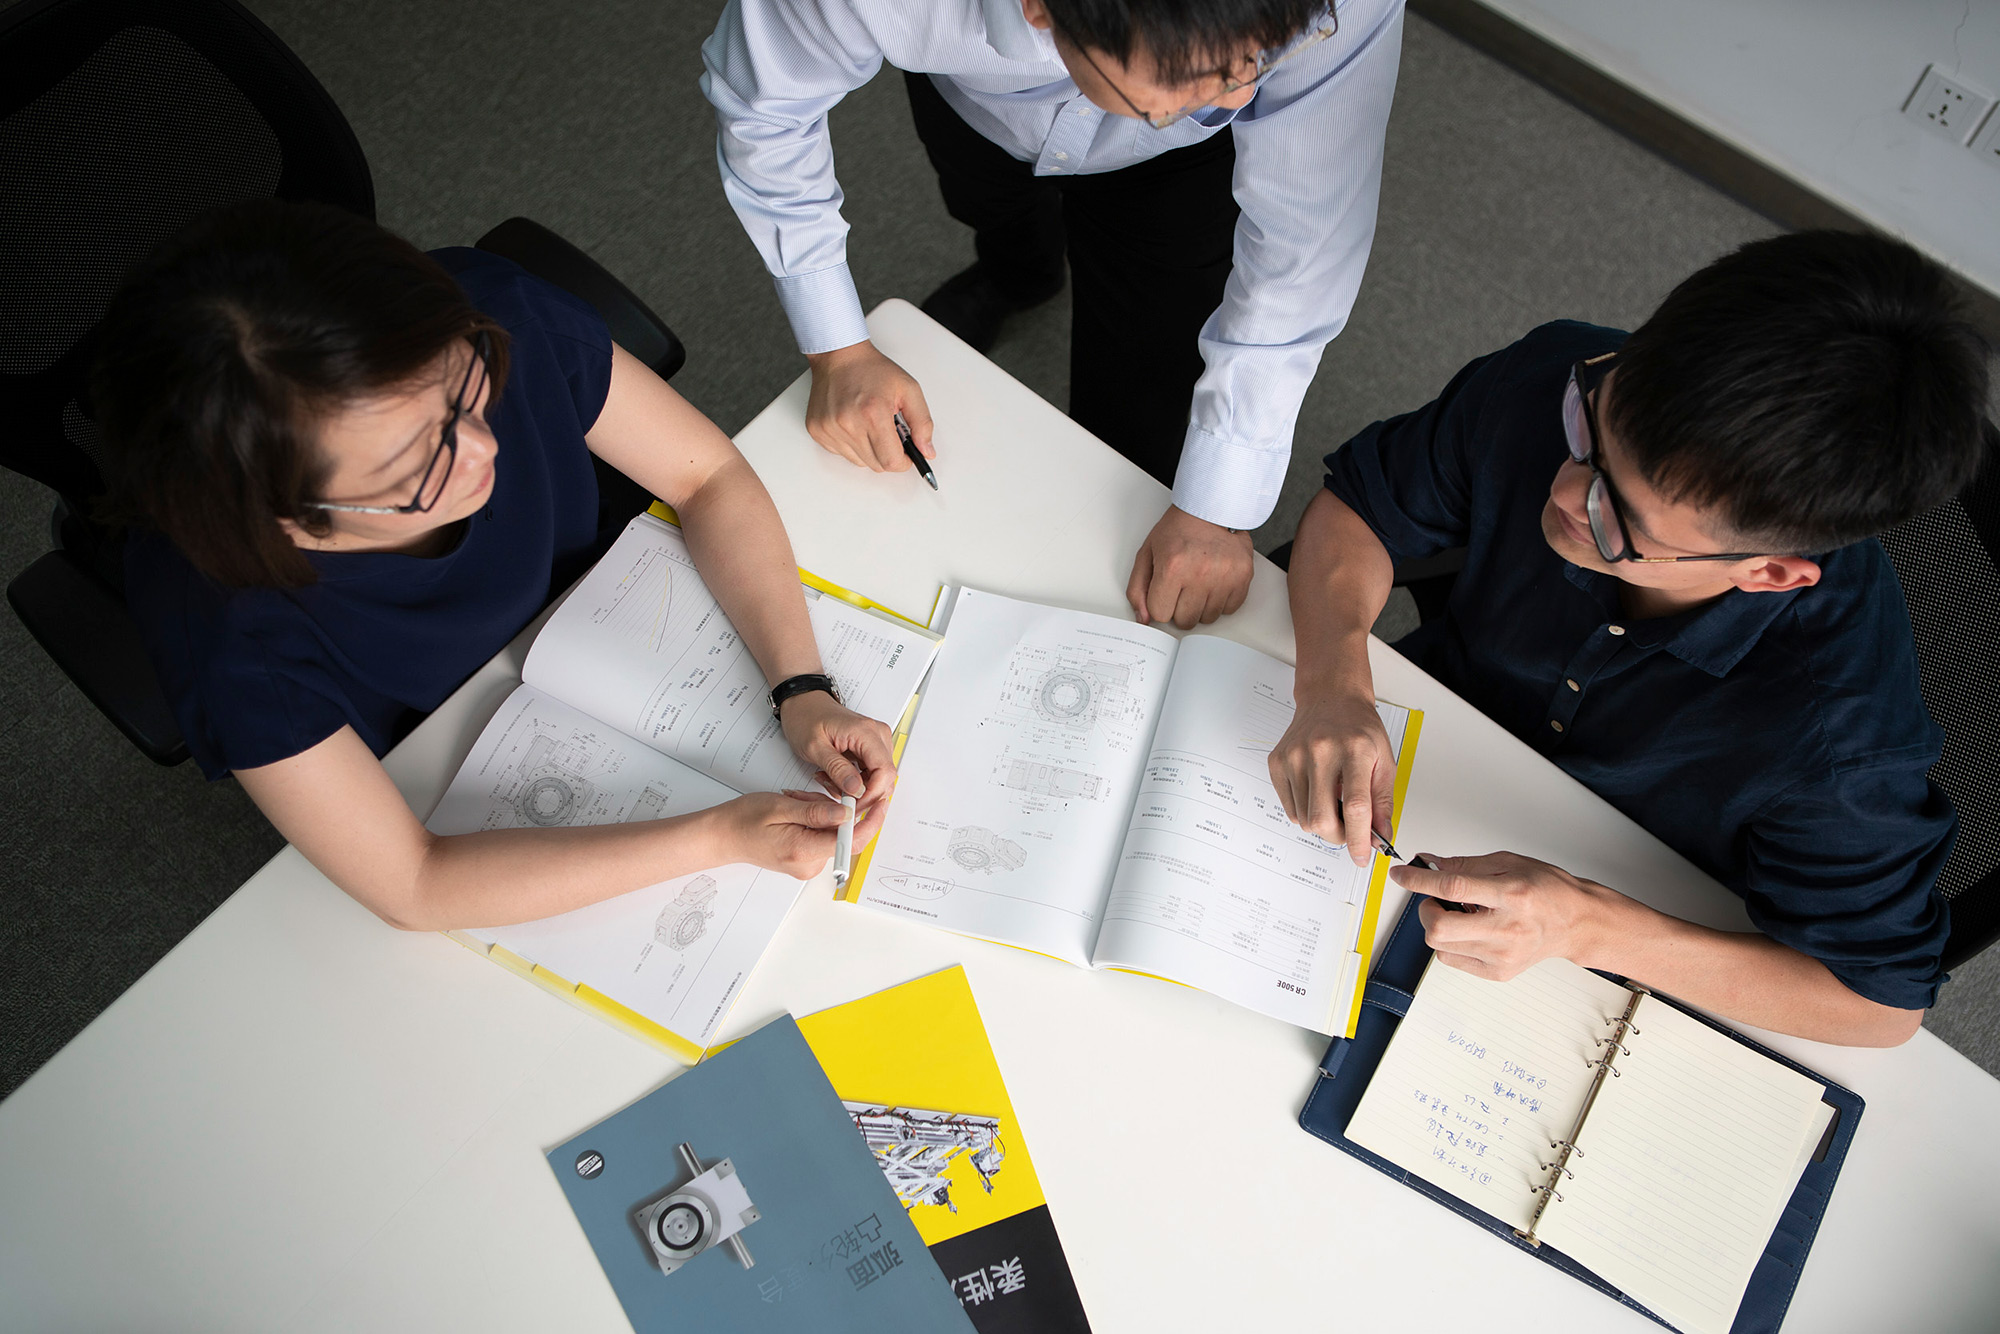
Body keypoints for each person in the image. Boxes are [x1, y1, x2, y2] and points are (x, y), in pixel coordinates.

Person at [1268, 230, 1994, 1047]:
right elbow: (1361, 507)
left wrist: (1587, 929)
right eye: (1590, 433)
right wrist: (1333, 681)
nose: (1564, 491)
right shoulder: (1564, 373)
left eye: (1618, 519)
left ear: (1769, 574)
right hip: (1423, 749)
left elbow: (1879, 1008)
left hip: (1593, 947)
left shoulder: (1840, 734)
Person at [96, 200, 896, 932]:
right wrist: (720, 835)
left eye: (465, 387)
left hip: (612, 611)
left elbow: (706, 476)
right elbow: (415, 885)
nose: (484, 447)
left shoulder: (486, 311)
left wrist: (801, 687)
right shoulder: (227, 632)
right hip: (439, 753)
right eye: (417, 465)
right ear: (289, 522)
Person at [700, 0, 1403, 629]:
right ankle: (1019, 275)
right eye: (1192, 89)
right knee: (991, 213)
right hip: (979, 107)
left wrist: (1218, 502)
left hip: (1180, 171)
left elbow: (1303, 242)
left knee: (1143, 374)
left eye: (1254, 64)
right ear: (1039, 11)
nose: (1252, 94)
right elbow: (766, 113)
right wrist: (837, 347)